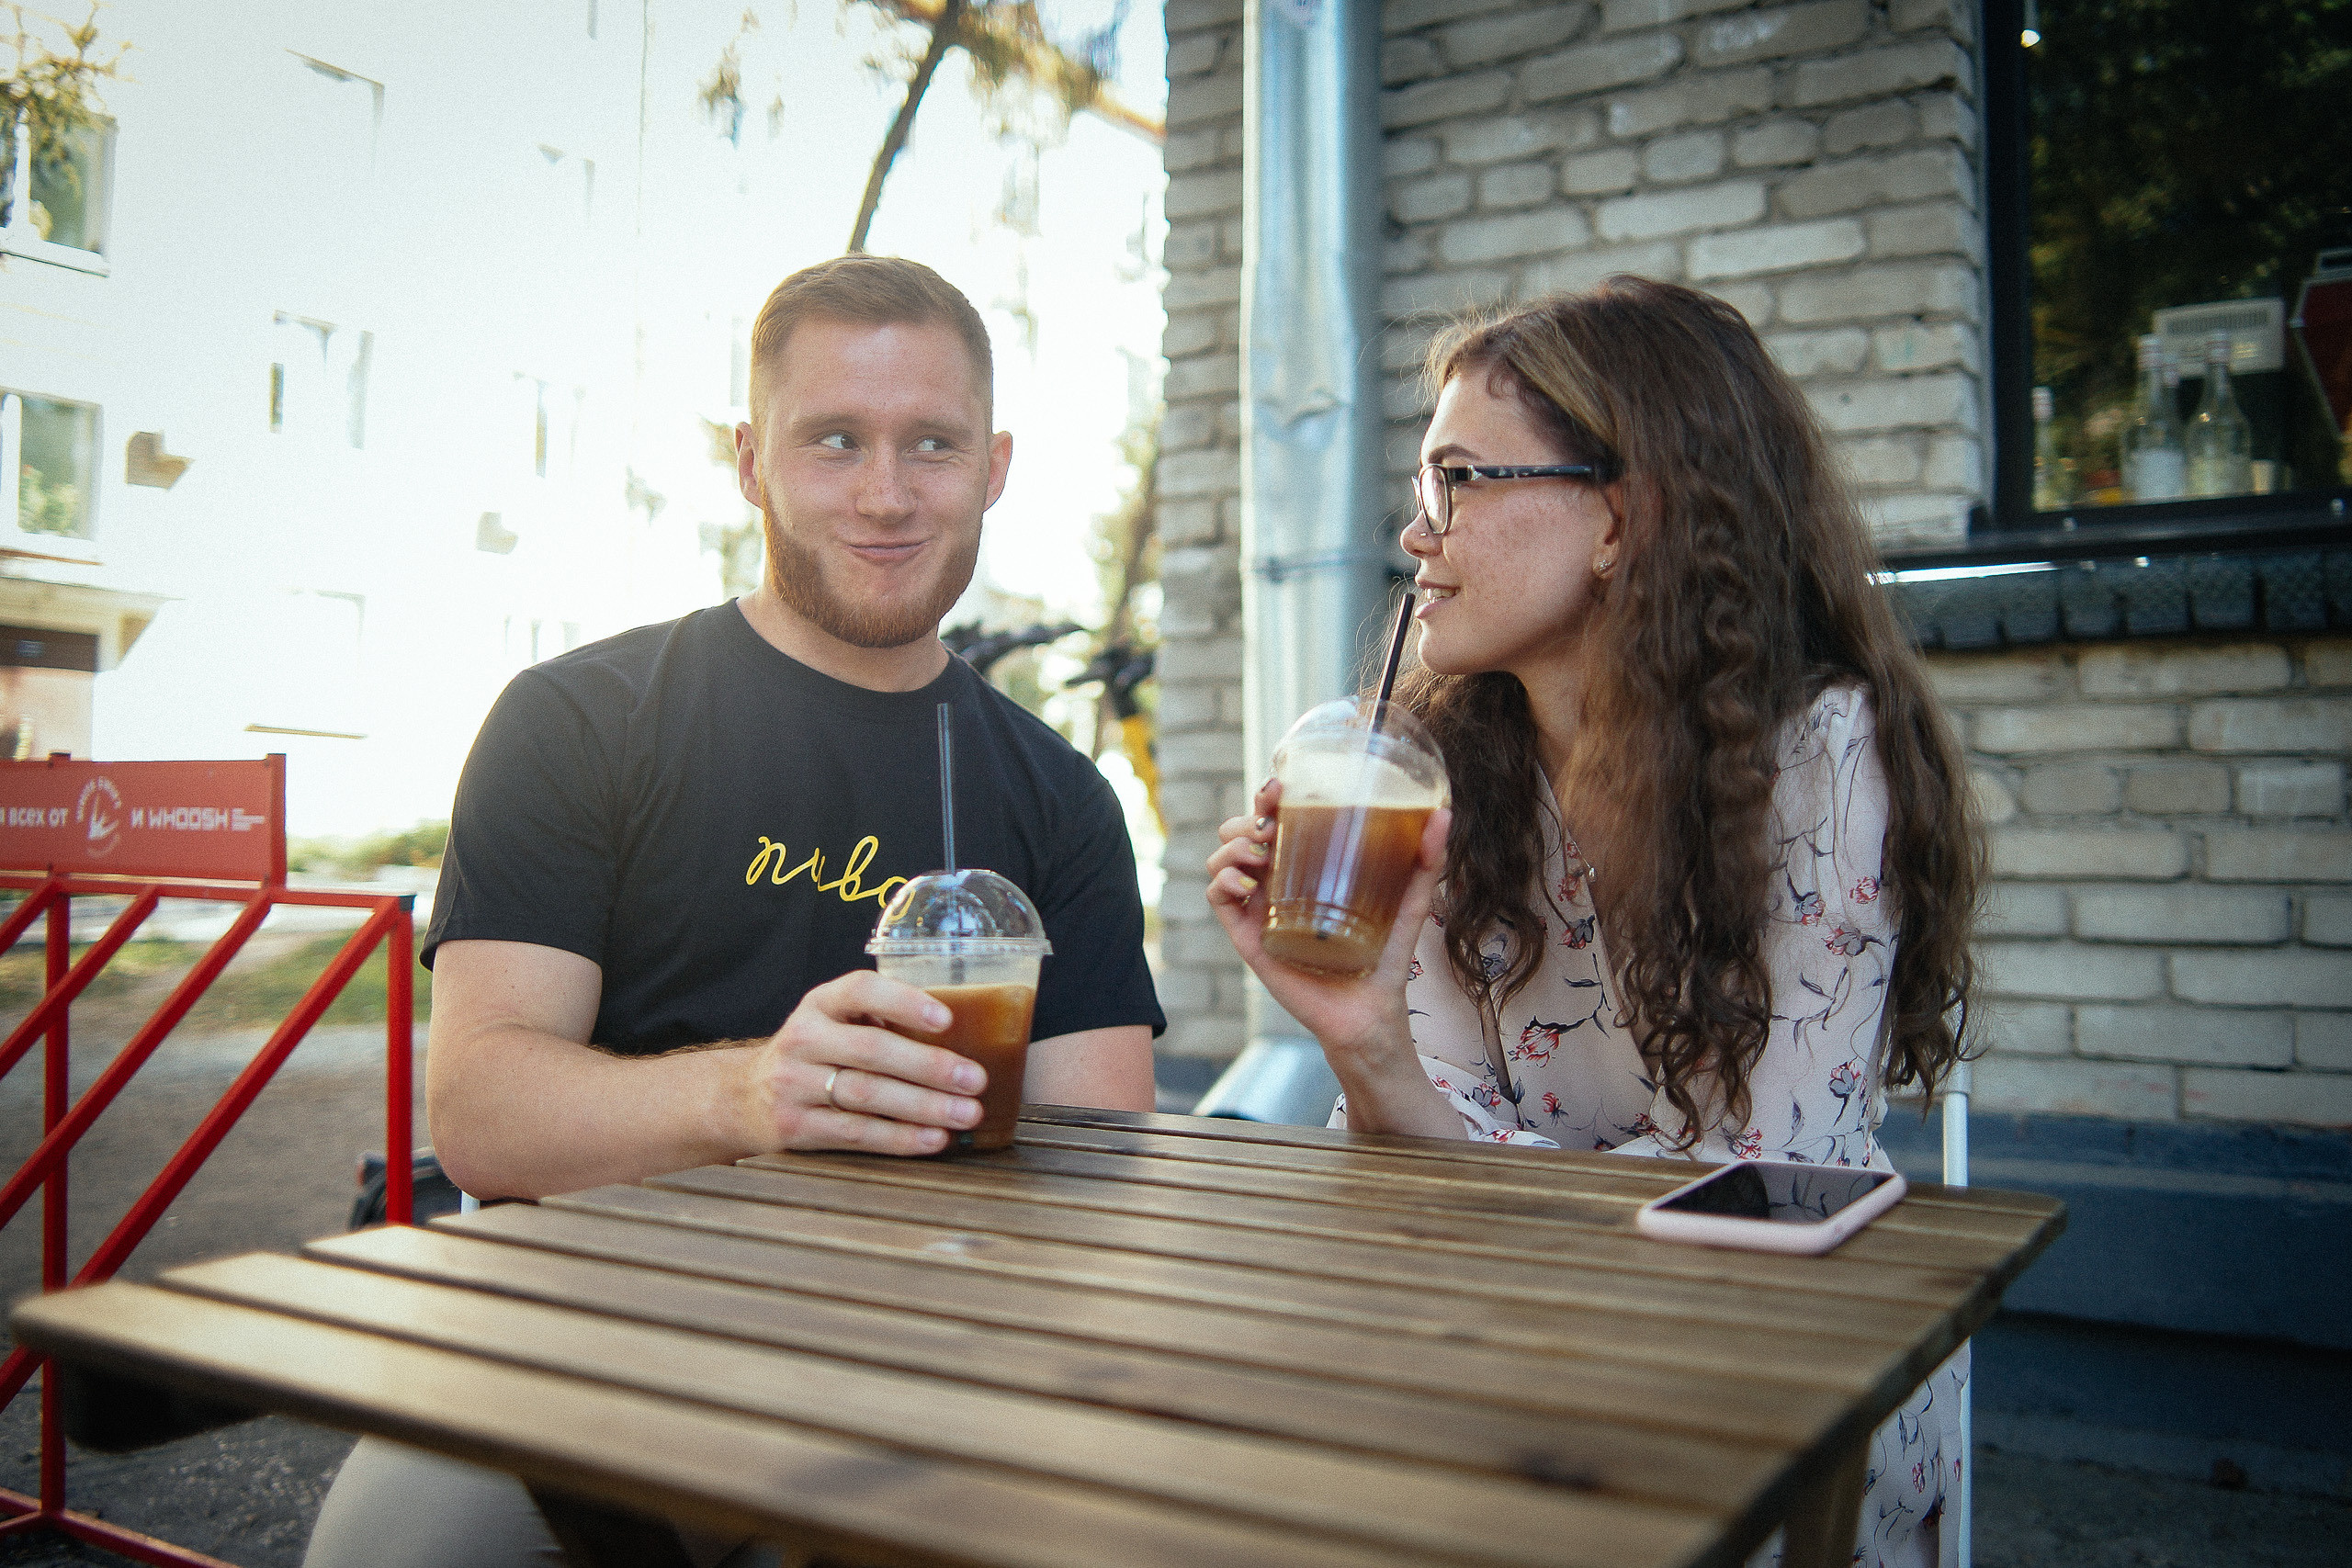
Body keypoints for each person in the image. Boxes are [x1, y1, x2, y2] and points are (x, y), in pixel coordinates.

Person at [302, 254, 1162, 1568]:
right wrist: (752, 1099)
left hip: (937, 1347)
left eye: (930, 446)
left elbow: (1096, 1160)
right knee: (391, 1557)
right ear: (751, 462)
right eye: (835, 442)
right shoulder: (580, 721)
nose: (886, 494)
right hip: (580, 1330)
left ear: (993, 469)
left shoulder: (1059, 797)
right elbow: (480, 1117)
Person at [1205, 276, 1980, 1568]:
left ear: (1620, 516)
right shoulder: (1438, 783)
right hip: (1516, 1358)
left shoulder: (1821, 760)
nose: (1416, 530)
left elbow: (1768, 1195)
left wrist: (1481, 1157)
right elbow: (1420, 1170)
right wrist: (1364, 1035)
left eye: (1458, 479)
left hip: (1771, 1393)